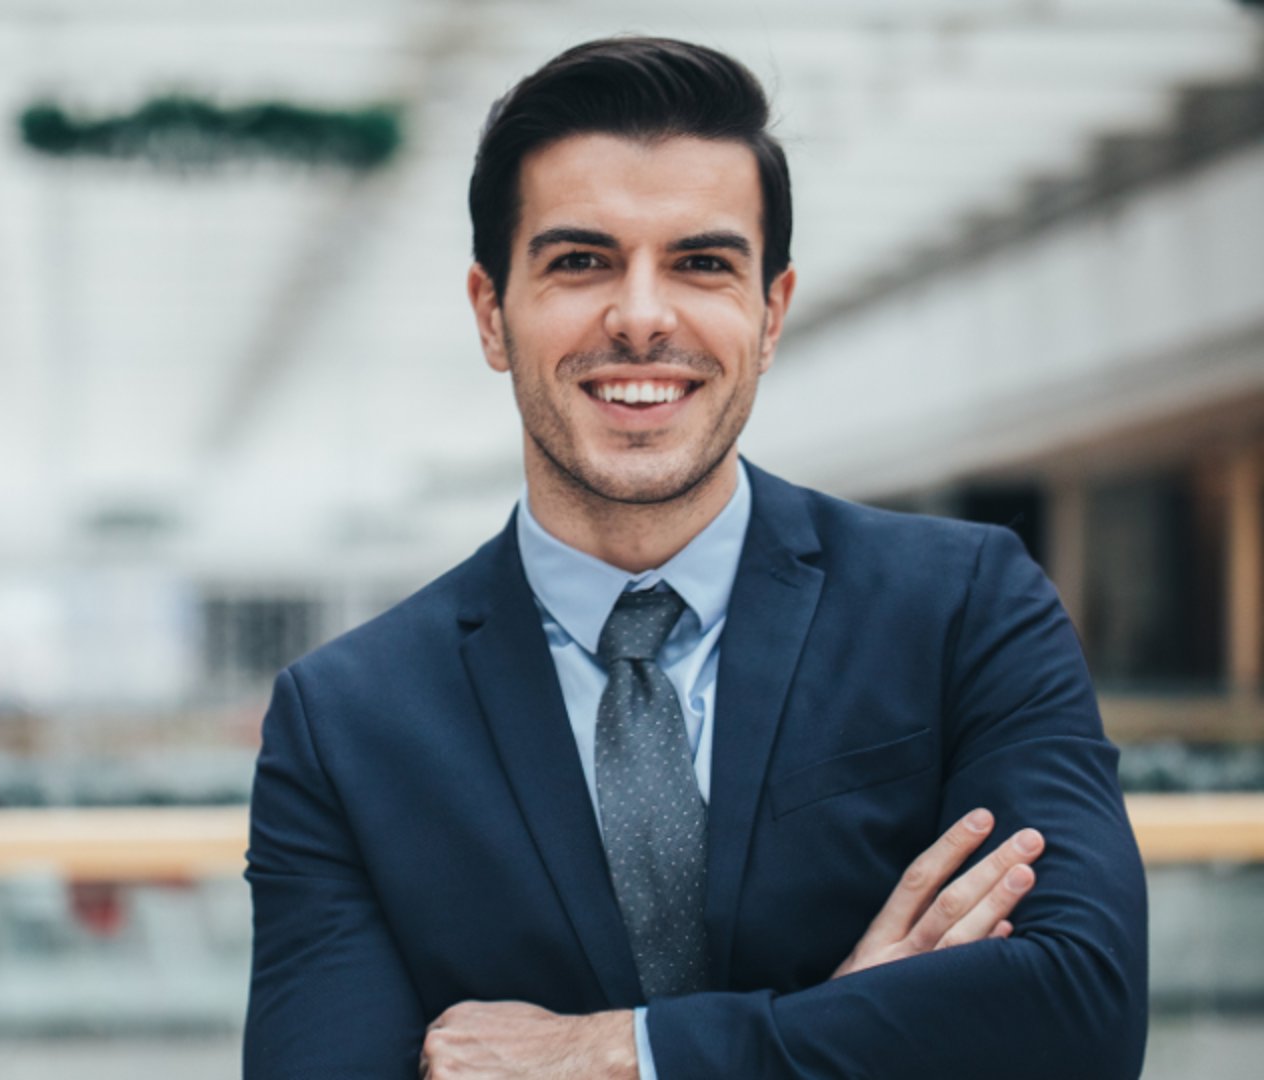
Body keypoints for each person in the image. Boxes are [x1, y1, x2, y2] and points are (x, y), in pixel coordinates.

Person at [241, 36, 1147, 1080]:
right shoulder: (346, 720)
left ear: (771, 313)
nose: (639, 317)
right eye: (580, 261)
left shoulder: (965, 608)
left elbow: (1083, 1010)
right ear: (494, 314)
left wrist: (628, 1053)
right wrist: (850, 1023)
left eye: (701, 263)